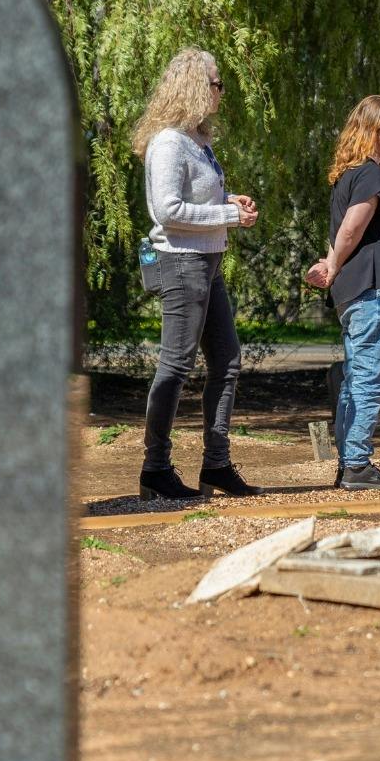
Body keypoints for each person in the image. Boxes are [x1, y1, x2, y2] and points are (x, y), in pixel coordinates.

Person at [132, 47, 261, 502]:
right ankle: (155, 469)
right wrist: (226, 214)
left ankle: (217, 464)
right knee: (176, 365)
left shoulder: (198, 141)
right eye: (216, 82)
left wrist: (231, 202)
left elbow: (199, 201)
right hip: (182, 262)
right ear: (193, 85)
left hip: (209, 262)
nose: (221, 91)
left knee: (226, 362)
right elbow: (167, 211)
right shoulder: (169, 142)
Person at [305, 96, 380, 490]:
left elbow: (343, 237)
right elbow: (351, 229)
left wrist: (331, 265)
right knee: (369, 378)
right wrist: (332, 265)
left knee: (355, 378)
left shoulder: (349, 175)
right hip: (373, 288)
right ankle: (357, 464)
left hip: (356, 291)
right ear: (371, 132)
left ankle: (350, 461)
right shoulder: (370, 175)